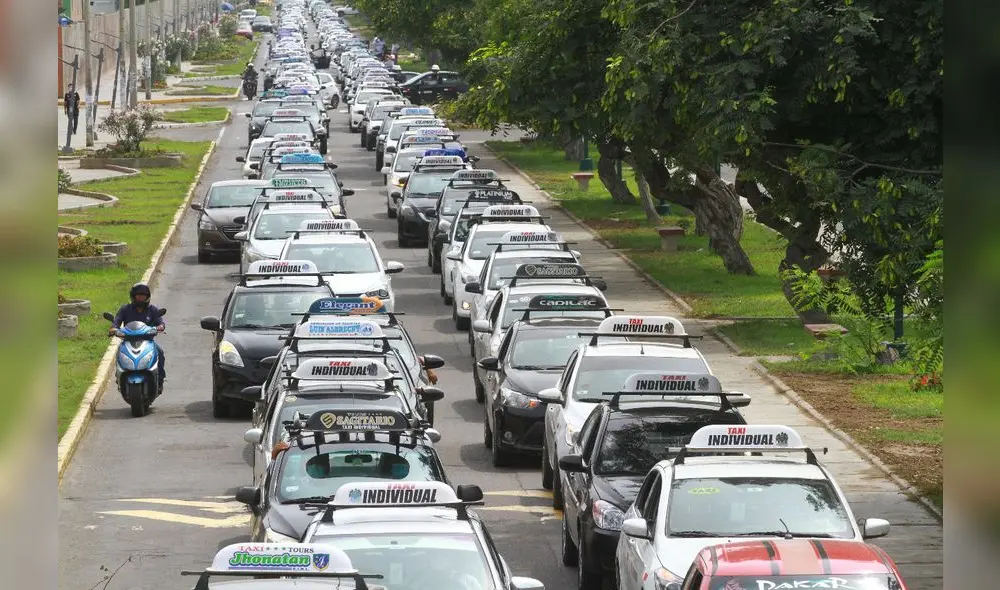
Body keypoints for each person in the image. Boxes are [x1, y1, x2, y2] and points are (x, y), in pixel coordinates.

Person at [109, 283, 166, 388]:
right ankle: (119, 377)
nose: (141, 298)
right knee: (119, 353)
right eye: (138, 296)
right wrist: (114, 329)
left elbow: (160, 322)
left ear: (147, 296)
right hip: (128, 341)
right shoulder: (125, 309)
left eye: (143, 296)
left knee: (160, 352)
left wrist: (160, 327)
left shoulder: (152, 310)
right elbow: (116, 322)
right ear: (133, 296)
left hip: (148, 342)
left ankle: (160, 380)